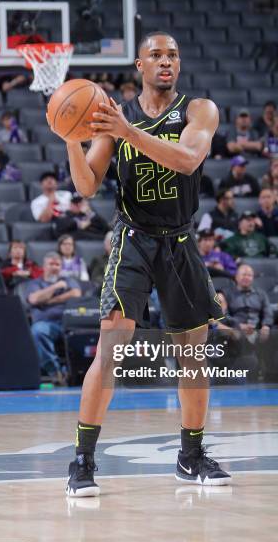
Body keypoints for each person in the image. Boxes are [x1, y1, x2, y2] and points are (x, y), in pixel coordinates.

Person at [57, 31, 232, 497]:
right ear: (139, 64)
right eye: (155, 54)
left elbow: (189, 160)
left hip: (179, 240)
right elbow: (88, 186)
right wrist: (72, 137)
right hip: (133, 238)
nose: (165, 61)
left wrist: (126, 132)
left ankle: (190, 458)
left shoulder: (199, 110)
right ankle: (82, 461)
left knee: (192, 355)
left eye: (172, 54)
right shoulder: (118, 117)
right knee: (111, 348)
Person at [25, 252, 81, 385]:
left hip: (69, 322)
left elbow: (76, 294)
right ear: (44, 266)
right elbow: (34, 299)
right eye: (51, 264)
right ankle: (56, 372)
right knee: (38, 331)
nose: (55, 267)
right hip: (47, 323)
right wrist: (56, 286)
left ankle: (80, 372)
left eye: (58, 264)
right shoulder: (35, 283)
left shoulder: (68, 281)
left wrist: (49, 301)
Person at [223, 264, 273, 380]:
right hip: (237, 330)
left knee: (275, 335)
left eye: (249, 275)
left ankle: (271, 375)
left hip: (258, 329)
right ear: (236, 277)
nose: (246, 277)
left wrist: (266, 326)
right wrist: (238, 325)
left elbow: (268, 312)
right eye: (244, 274)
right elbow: (223, 314)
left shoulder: (261, 294)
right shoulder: (227, 293)